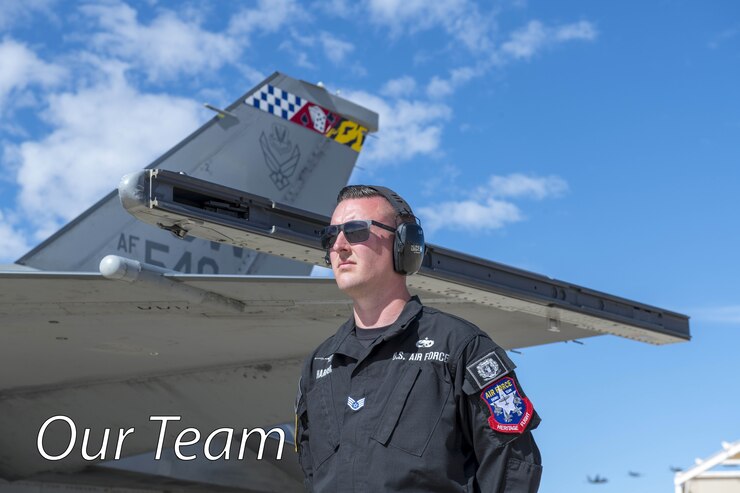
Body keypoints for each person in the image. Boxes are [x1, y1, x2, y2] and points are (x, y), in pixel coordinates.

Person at [295, 185, 542, 492]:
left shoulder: (460, 348)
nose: (340, 245)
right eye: (331, 236)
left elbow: (513, 466)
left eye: (356, 230)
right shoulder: (319, 365)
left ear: (404, 244)